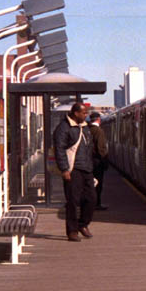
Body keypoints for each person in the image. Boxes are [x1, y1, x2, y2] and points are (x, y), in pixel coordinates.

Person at [53, 102, 96, 241]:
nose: (86, 115)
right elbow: (59, 150)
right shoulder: (63, 128)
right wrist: (64, 169)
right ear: (76, 113)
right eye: (84, 113)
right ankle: (72, 231)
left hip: (87, 169)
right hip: (73, 170)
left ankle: (83, 224)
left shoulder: (85, 127)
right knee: (72, 201)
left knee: (91, 199)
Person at [88, 111, 109, 210]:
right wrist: (105, 161)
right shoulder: (98, 131)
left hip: (88, 161)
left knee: (90, 183)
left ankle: (91, 203)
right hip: (97, 162)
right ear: (98, 120)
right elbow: (101, 148)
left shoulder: (87, 129)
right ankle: (97, 204)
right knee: (98, 184)